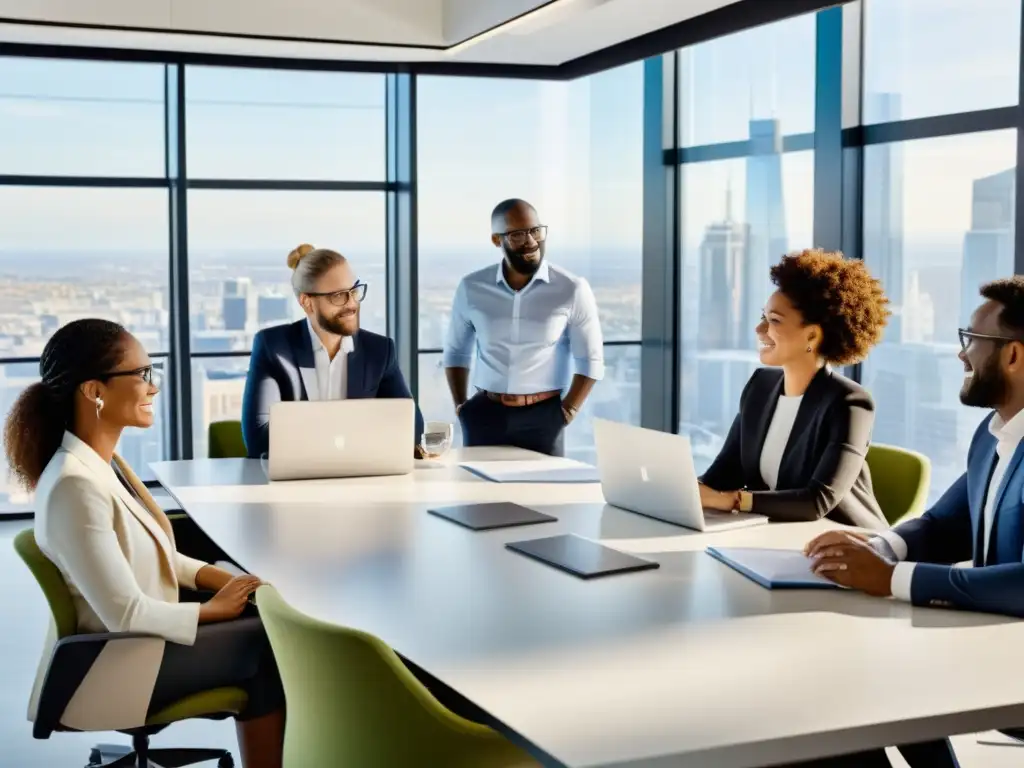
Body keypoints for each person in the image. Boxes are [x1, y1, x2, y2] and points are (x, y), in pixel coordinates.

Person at [3, 319, 284, 768]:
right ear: (95, 391)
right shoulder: (75, 485)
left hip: (136, 643)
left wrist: (230, 581)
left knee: (264, 624)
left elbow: (156, 554)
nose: (153, 387)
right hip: (115, 664)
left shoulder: (102, 462)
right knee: (272, 648)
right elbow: (125, 613)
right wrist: (215, 608)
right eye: (142, 375)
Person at [807, 276, 1024, 614]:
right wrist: (881, 547)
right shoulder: (993, 433)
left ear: (1012, 356)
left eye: (972, 339)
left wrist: (893, 578)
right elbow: (945, 523)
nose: (962, 355)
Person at [698, 249, 889, 529]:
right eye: (763, 316)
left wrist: (732, 501)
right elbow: (722, 476)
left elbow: (817, 501)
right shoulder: (759, 388)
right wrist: (681, 492)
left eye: (773, 320)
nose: (759, 329)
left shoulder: (850, 402)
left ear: (812, 335)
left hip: (847, 543)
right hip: (777, 536)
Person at [443, 198, 604, 456]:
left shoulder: (571, 288)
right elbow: (456, 353)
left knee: (543, 495)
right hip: (483, 414)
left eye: (535, 230)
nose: (530, 241)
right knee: (478, 493)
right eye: (517, 234)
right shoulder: (471, 287)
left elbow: (591, 360)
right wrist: (462, 407)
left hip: (544, 419)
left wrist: (566, 412)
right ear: (497, 240)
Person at [241, 244, 424, 459]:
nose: (352, 304)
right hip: (295, 486)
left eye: (354, 291)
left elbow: (413, 432)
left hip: (361, 479)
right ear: (307, 302)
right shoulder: (274, 348)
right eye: (338, 296)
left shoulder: (379, 351)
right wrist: (362, 431)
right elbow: (260, 441)